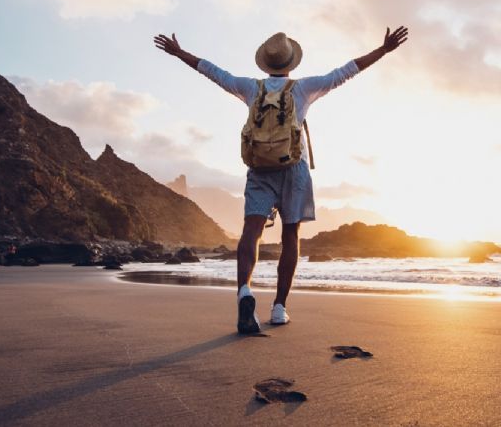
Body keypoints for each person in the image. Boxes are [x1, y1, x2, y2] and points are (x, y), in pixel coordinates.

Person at [154, 25, 408, 334]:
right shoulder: (303, 89)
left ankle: (245, 291)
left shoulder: (250, 88)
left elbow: (213, 72)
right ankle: (278, 308)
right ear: (290, 63)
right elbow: (346, 72)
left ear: (266, 63)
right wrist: (382, 50)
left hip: (260, 168)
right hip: (293, 169)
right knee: (290, 235)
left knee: (252, 230)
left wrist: (179, 53)